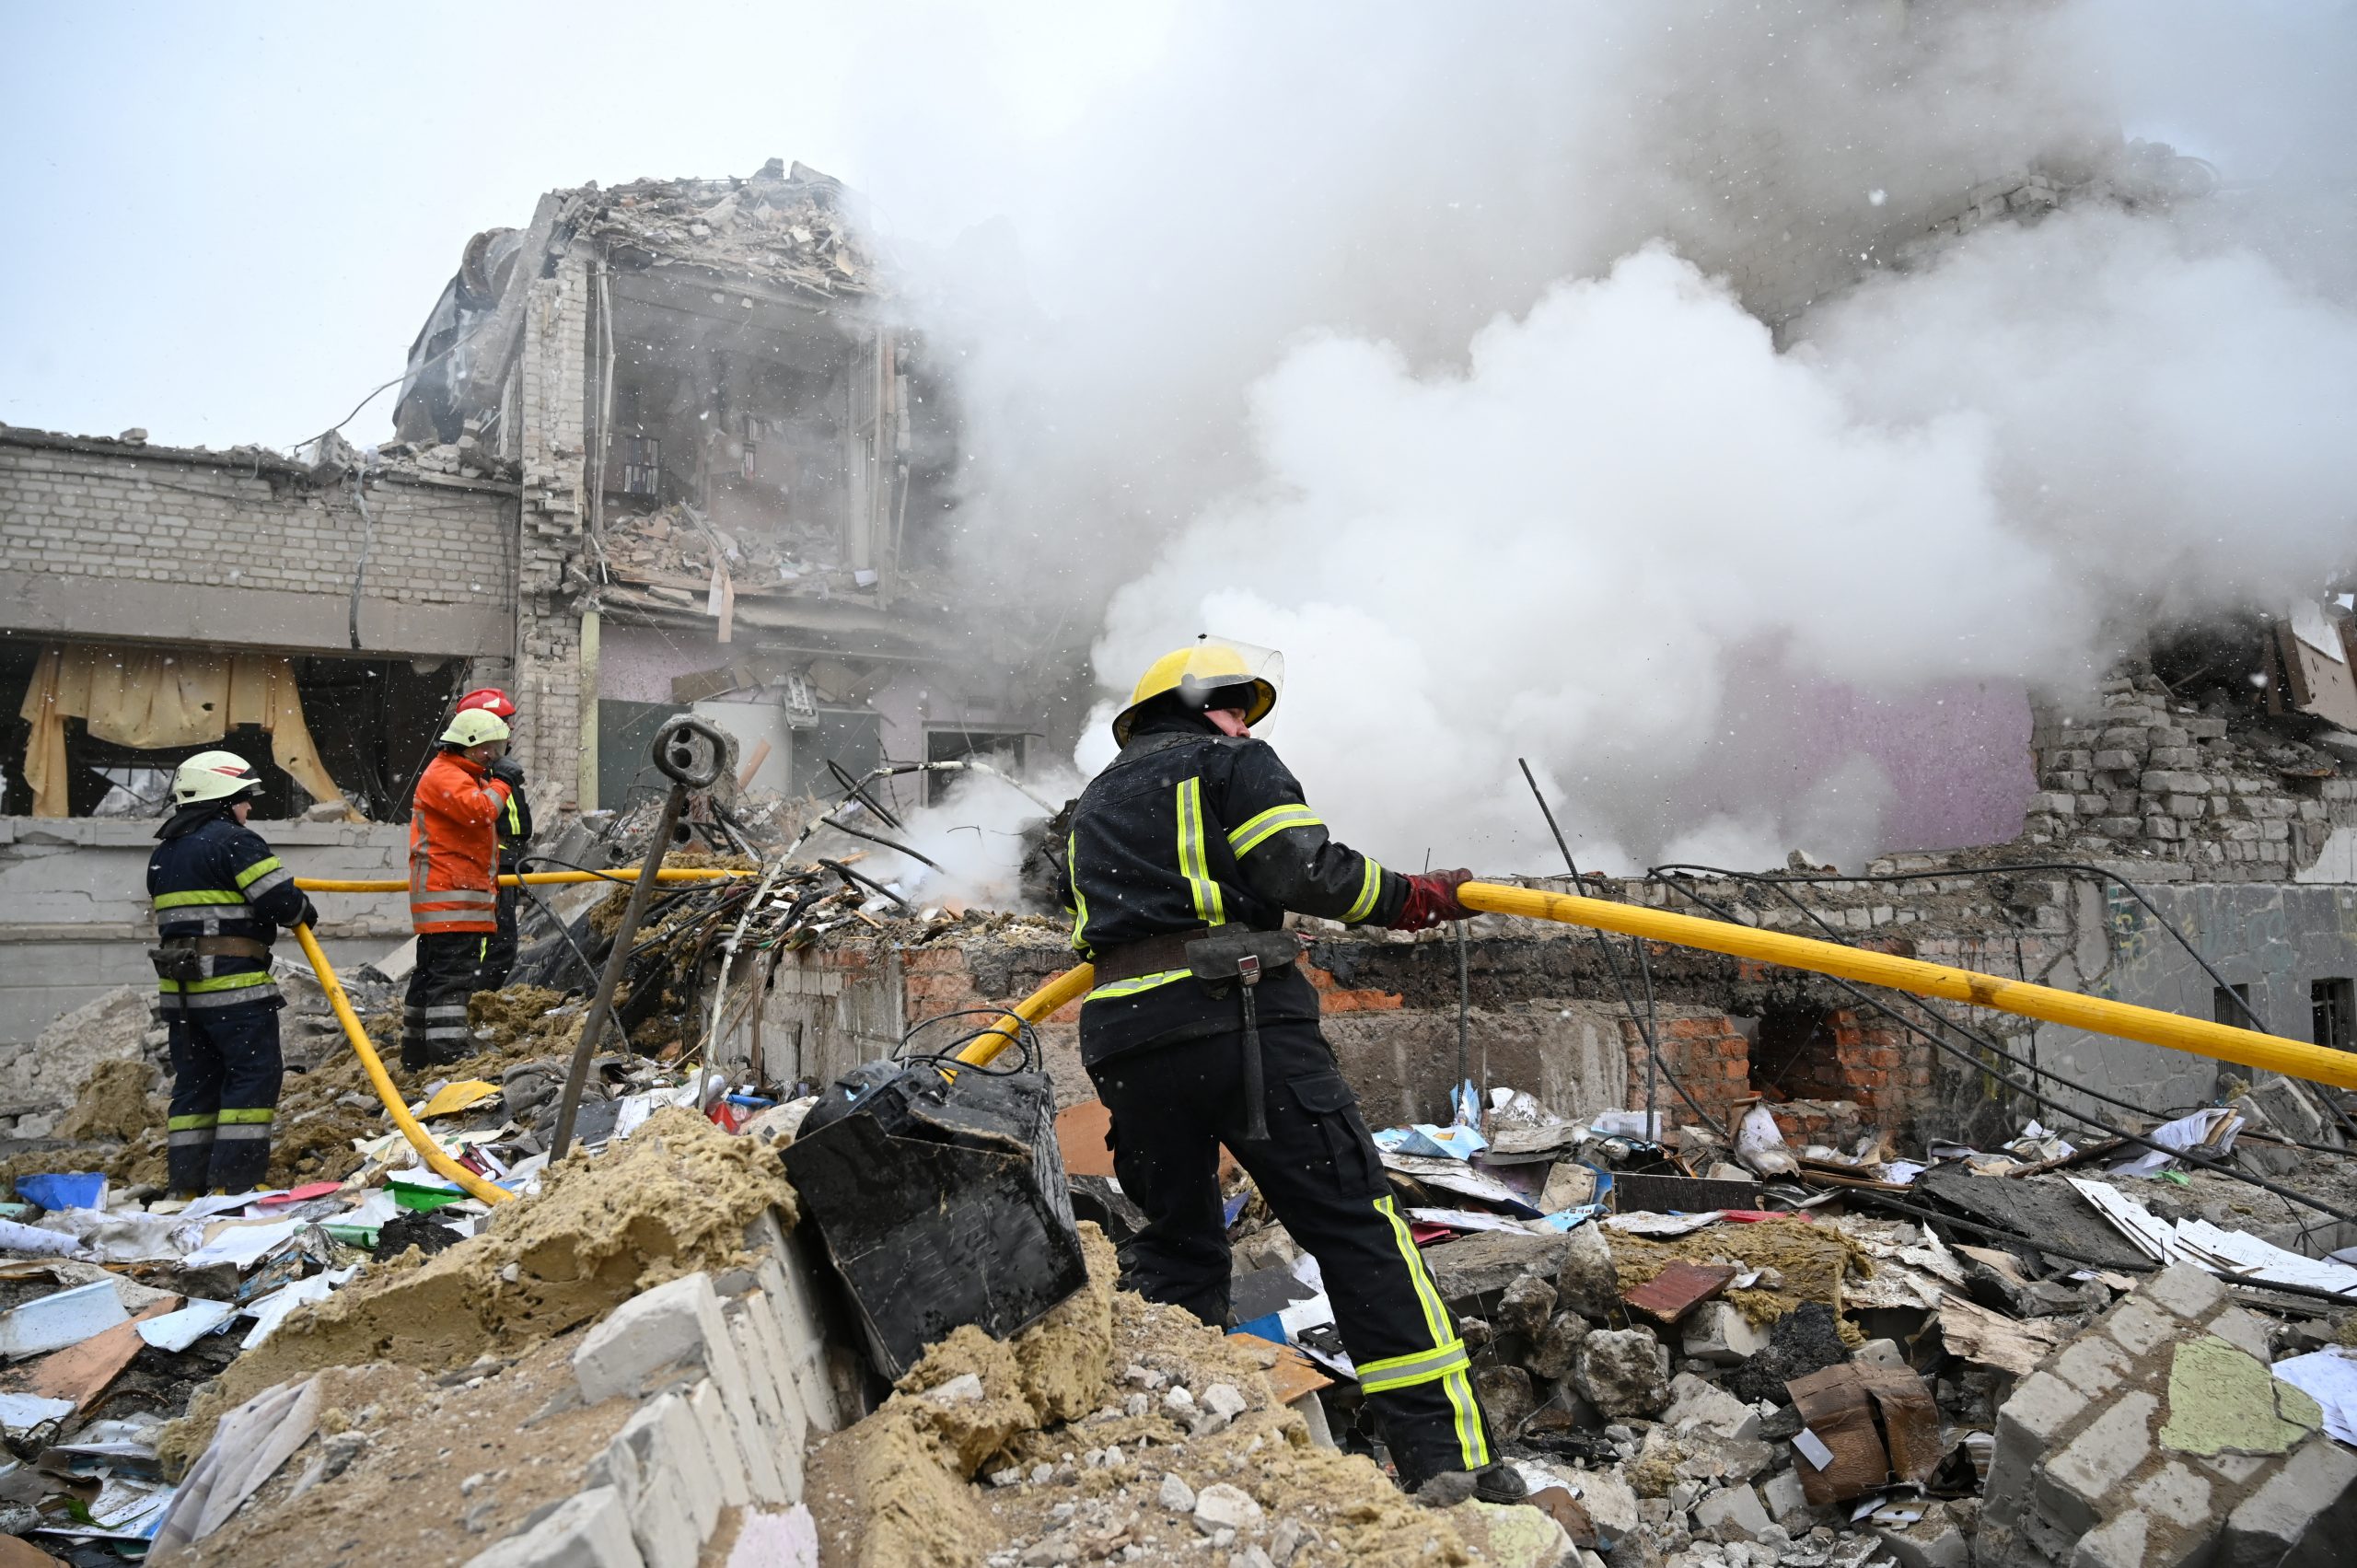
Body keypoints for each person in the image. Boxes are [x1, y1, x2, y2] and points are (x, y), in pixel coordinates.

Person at [1061, 638, 1517, 1502]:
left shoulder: (1093, 804)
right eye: (1238, 706)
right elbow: (1302, 868)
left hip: (1124, 1043)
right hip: (1237, 1021)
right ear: (1208, 706)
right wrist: (1414, 897)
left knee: (1176, 1247)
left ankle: (1175, 1462)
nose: (1245, 722)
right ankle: (1451, 1464)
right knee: (1357, 1229)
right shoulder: (1232, 762)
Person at [146, 751, 316, 1195]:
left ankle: (186, 1187)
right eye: (244, 798)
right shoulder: (235, 842)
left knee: (196, 1086)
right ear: (222, 799)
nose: (249, 807)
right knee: (253, 1077)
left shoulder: (165, 851)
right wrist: (303, 908)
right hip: (234, 990)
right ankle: (233, 1186)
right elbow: (282, 903)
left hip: (183, 997)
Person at [403, 708, 515, 1071]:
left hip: (450, 900)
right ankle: (449, 1053)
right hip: (450, 899)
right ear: (467, 745)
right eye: (489, 748)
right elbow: (480, 812)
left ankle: (417, 1053)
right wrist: (503, 784)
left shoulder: (461, 775)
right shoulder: (447, 775)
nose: (494, 755)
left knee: (431, 976)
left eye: (498, 747)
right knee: (452, 978)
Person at [452, 688, 532, 989]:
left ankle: (479, 999)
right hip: (490, 868)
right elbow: (479, 818)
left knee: (502, 945)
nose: (511, 728)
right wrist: (504, 857)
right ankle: (474, 999)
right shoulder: (474, 773)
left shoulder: (499, 768)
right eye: (504, 722)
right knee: (492, 946)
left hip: (503, 864)